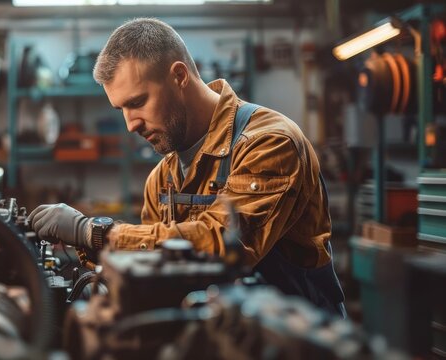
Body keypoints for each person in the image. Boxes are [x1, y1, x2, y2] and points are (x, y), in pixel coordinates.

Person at [28, 18, 345, 317]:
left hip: (296, 340)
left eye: (137, 102)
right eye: (121, 109)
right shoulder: (162, 179)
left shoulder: (270, 144)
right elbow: (156, 270)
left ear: (179, 76)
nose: (130, 124)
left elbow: (222, 244)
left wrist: (93, 232)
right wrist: (90, 248)